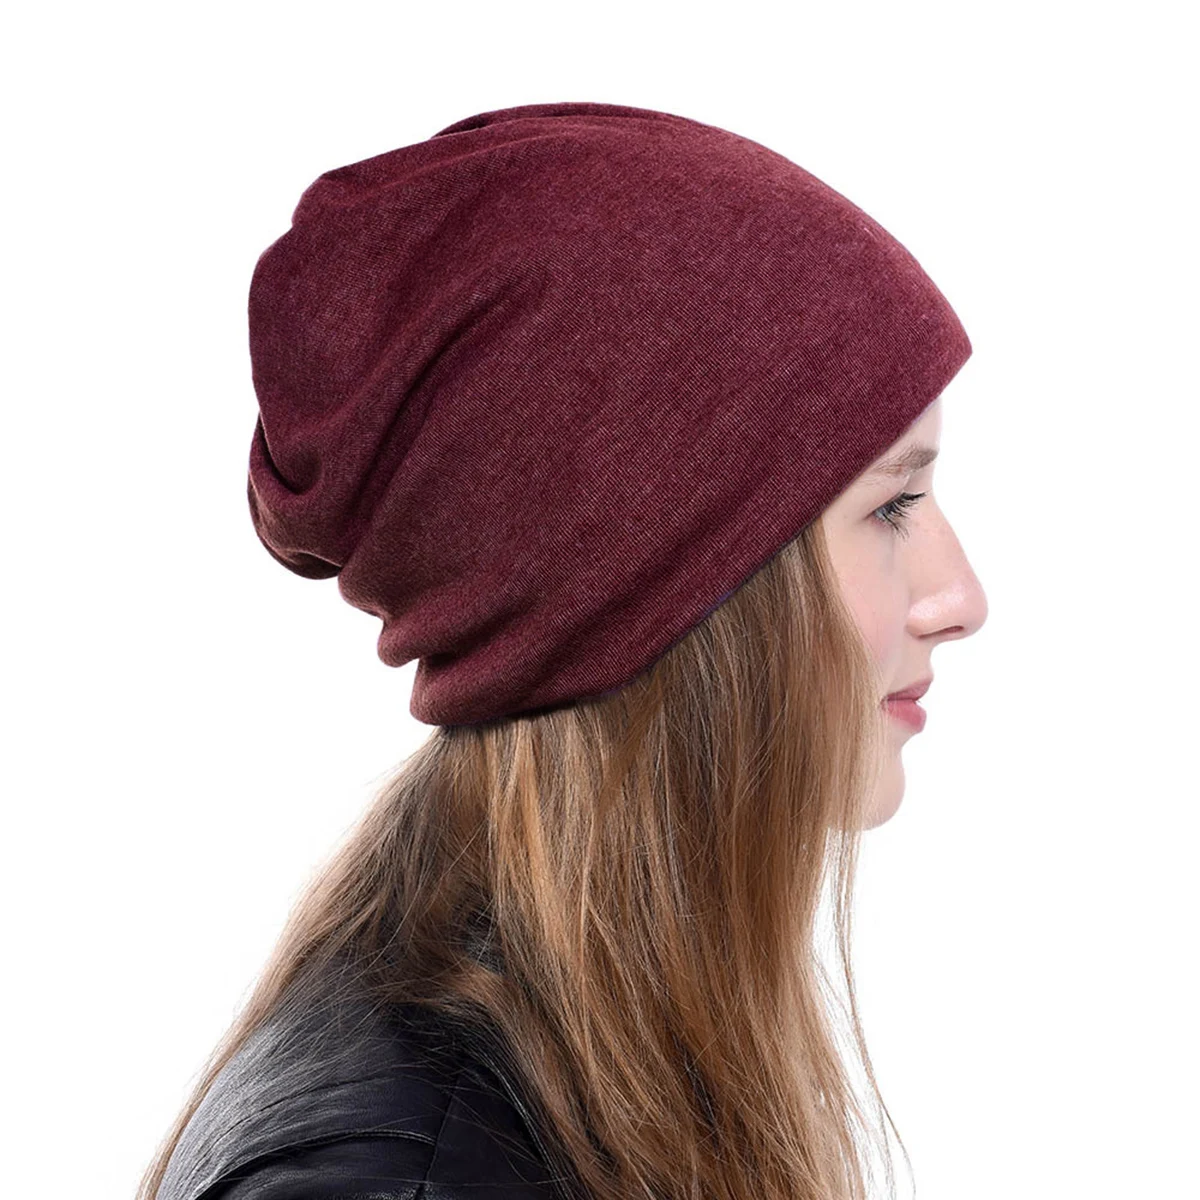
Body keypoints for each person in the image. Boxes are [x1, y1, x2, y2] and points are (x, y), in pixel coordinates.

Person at [138, 100, 987, 1200]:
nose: (960, 599)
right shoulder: (404, 1180)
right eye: (891, 506)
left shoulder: (572, 1064)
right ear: (642, 579)